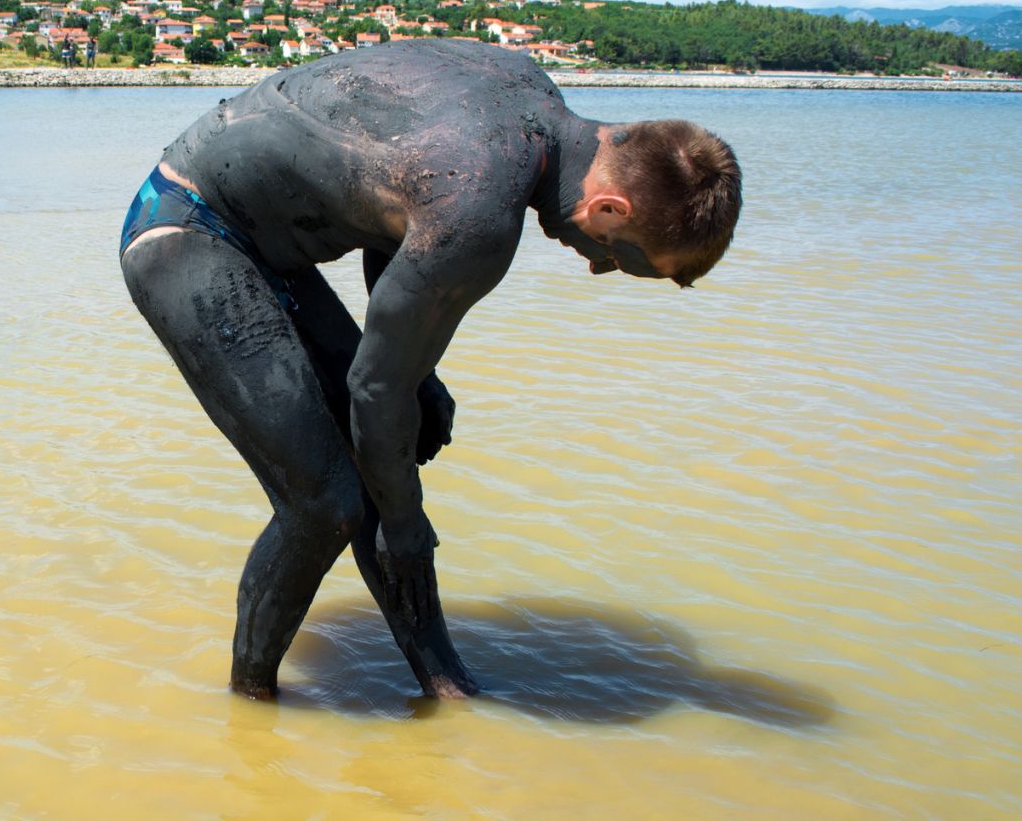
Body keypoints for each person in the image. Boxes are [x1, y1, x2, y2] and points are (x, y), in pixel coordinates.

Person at [119, 39, 741, 700]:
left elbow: (396, 214)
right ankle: (252, 704)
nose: (595, 265)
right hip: (186, 232)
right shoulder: (481, 212)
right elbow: (372, 389)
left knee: (388, 452)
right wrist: (410, 524)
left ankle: (444, 688)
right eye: (618, 259)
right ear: (607, 210)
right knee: (325, 504)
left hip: (258, 236)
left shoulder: (521, 86)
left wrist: (418, 376)